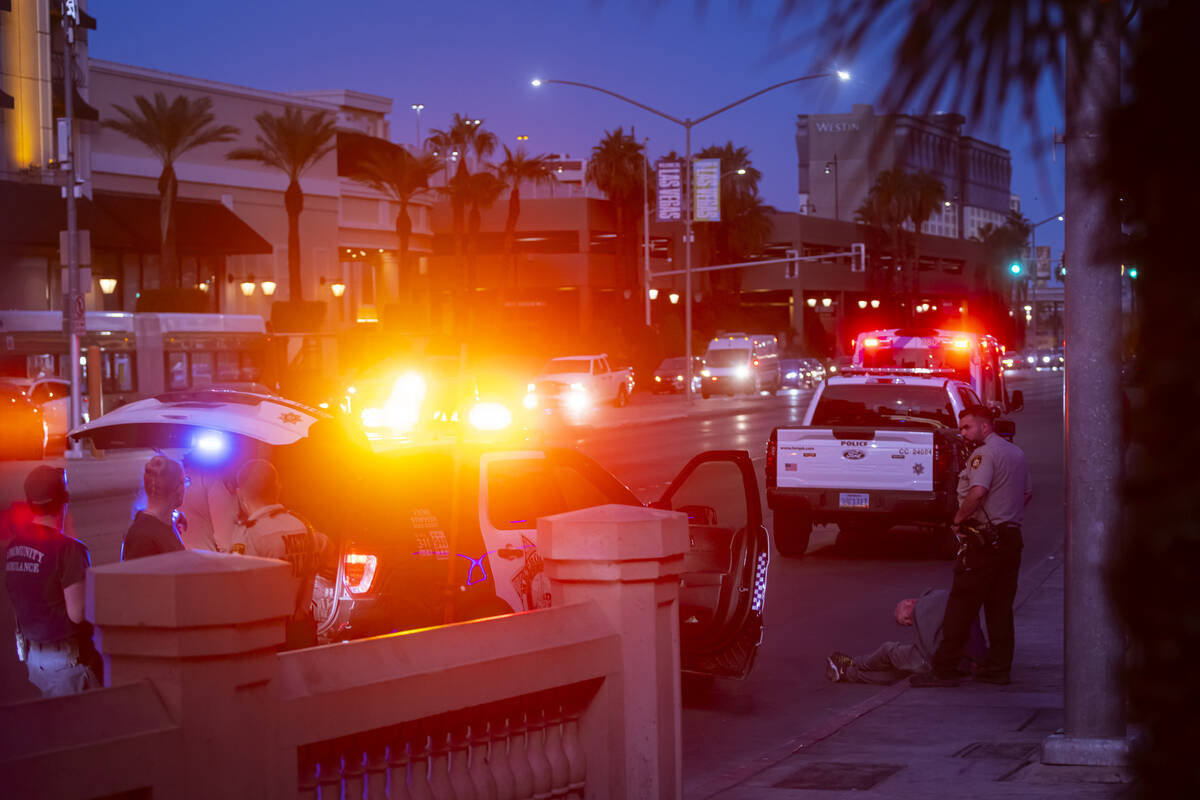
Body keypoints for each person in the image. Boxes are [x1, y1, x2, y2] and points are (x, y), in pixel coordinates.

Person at [911, 404, 1032, 687]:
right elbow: (1026, 493)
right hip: (1010, 539)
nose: (963, 433)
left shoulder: (984, 454)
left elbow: (978, 492)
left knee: (961, 606)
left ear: (985, 426)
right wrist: (1005, 513)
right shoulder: (1016, 453)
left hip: (984, 542)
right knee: (1000, 608)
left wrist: (958, 519)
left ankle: (944, 668)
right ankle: (999, 668)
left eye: (967, 427)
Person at [4, 466, 102, 696]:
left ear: (30, 503)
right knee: (87, 726)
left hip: (35, 659)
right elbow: (78, 613)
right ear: (64, 501)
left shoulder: (14, 548)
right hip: (67, 665)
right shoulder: (69, 550)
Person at [229, 459, 326, 650]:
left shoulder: (249, 534)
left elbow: (235, 593)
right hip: (303, 633)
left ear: (240, 494)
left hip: (266, 639)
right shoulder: (304, 527)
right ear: (278, 488)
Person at [825, 589, 987, 684]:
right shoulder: (942, 594)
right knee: (898, 672)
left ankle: (854, 662)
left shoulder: (923, 607)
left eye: (905, 619)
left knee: (888, 650)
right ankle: (847, 673)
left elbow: (927, 649)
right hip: (960, 659)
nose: (909, 624)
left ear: (910, 602)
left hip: (940, 660)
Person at [121, 454, 187, 561]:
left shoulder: (157, 523)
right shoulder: (143, 538)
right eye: (185, 481)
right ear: (178, 489)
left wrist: (176, 516)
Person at [178, 454, 240, 553]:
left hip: (178, 557)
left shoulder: (178, 477)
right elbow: (225, 538)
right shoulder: (213, 480)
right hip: (207, 560)